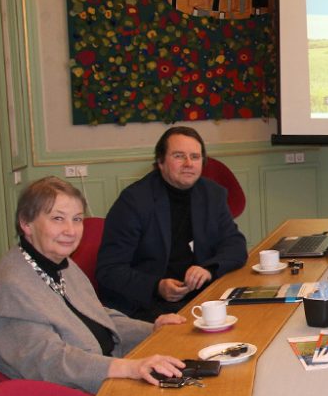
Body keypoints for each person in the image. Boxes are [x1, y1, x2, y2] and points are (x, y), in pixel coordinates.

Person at [0, 177, 185, 394]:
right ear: (26, 223)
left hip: (102, 375)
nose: (71, 230)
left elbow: (97, 316)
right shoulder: (9, 287)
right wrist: (128, 368)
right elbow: (51, 363)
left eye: (77, 219)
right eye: (57, 218)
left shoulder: (60, 264)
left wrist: (154, 330)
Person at [97, 126, 247, 321]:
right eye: (179, 156)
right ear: (160, 161)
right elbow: (109, 270)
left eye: (195, 157)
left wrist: (208, 270)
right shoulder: (134, 201)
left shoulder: (213, 193)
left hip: (199, 296)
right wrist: (156, 286)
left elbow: (235, 245)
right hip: (148, 303)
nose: (188, 163)